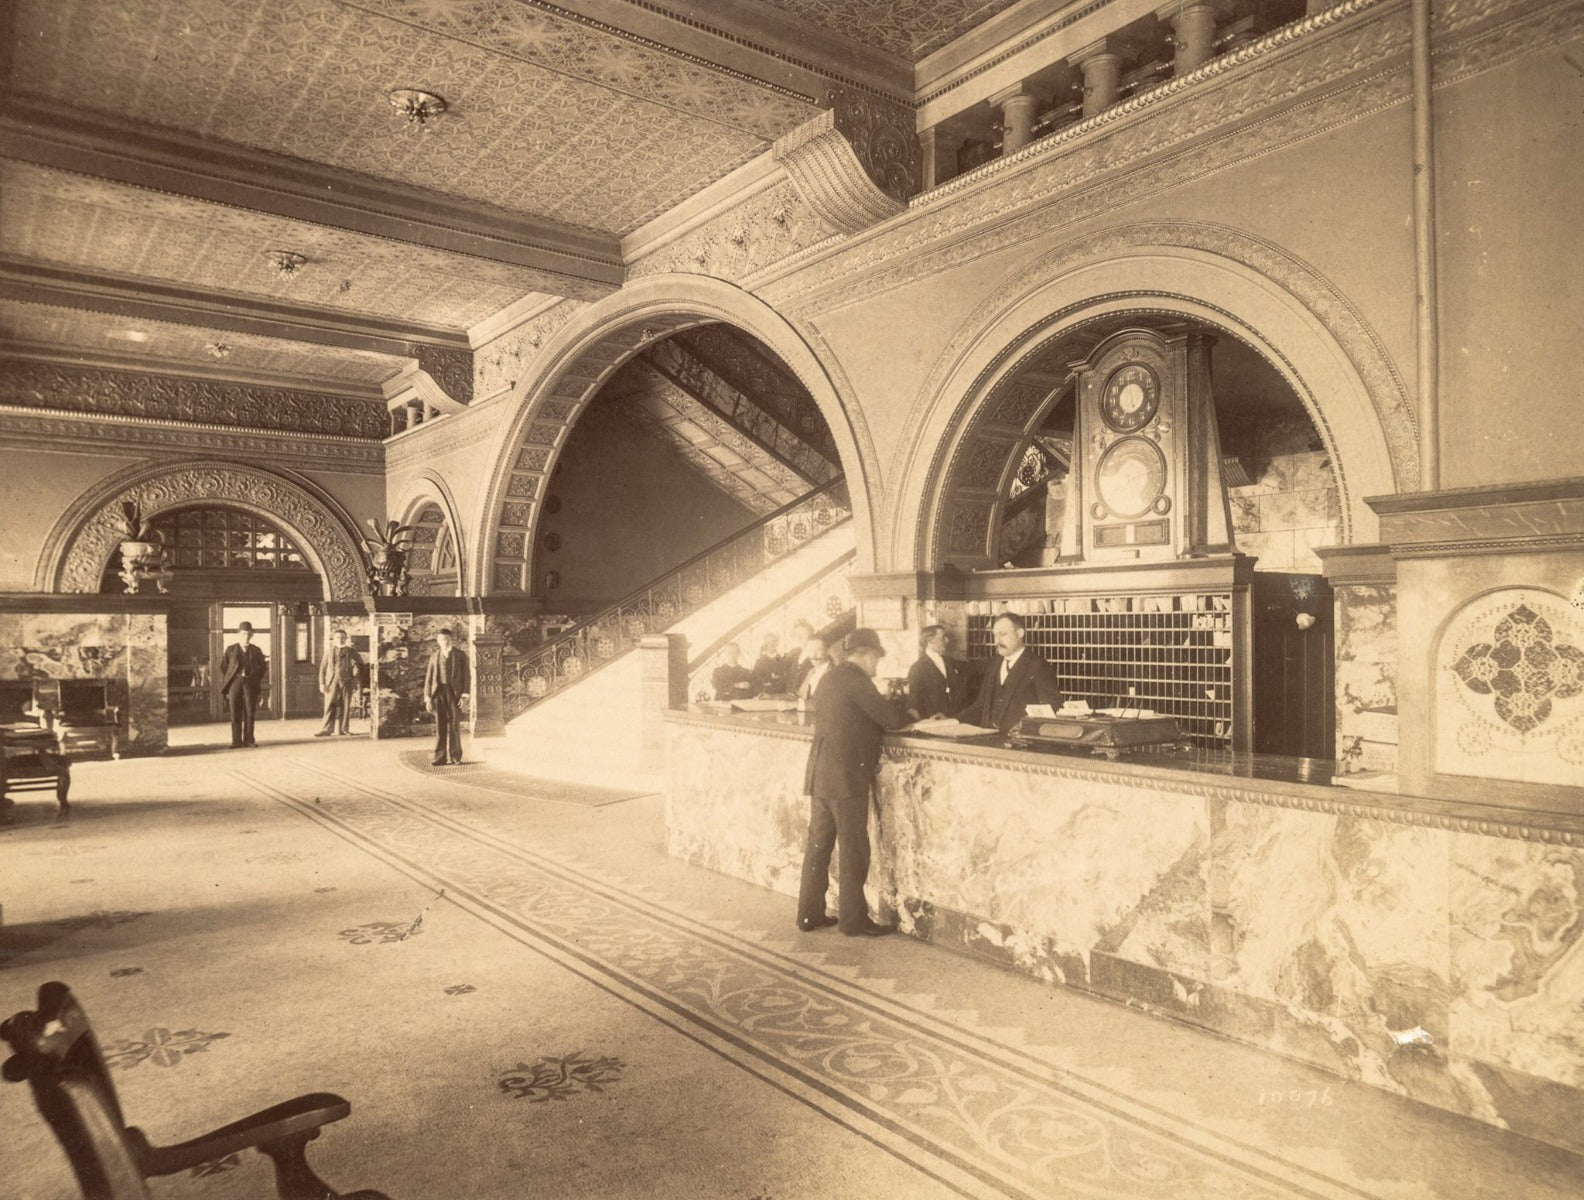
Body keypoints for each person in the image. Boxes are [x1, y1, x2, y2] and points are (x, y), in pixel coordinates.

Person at [798, 628, 908, 937]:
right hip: (846, 777)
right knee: (853, 849)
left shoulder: (830, 677)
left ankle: (808, 914)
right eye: (877, 660)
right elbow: (892, 720)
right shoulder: (857, 680)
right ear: (868, 655)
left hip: (821, 774)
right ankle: (852, 921)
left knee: (818, 846)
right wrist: (909, 709)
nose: (877, 666)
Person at [958, 610, 1063, 734]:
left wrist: (1025, 728)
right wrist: (951, 721)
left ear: (1019, 633)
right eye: (995, 635)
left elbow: (1052, 707)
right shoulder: (993, 664)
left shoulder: (1037, 665)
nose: (997, 641)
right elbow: (980, 706)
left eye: (1003, 634)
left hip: (1018, 741)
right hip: (988, 739)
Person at [423, 626, 470, 766]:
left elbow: (466, 676)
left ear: (451, 640)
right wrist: (428, 698)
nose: (445, 641)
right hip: (438, 693)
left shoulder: (460, 655)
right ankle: (440, 757)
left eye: (447, 639)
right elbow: (429, 678)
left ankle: (456, 757)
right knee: (440, 725)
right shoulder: (434, 656)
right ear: (438, 641)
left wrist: (464, 696)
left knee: (455, 725)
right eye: (442, 639)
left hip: (454, 693)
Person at [219, 620, 267, 749]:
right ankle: (236, 741)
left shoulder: (256, 650)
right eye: (244, 634)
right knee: (235, 712)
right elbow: (224, 667)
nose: (246, 637)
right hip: (235, 683)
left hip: (250, 683)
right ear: (239, 635)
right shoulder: (230, 650)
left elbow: (263, 668)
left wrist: (254, 678)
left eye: (249, 634)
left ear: (252, 635)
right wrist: (233, 678)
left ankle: (249, 740)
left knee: (250, 712)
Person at [906, 624, 966, 720]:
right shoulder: (917, 668)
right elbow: (914, 703)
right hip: (934, 721)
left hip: (953, 719)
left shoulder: (949, 661)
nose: (947, 640)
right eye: (943, 637)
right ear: (930, 641)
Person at [314, 628, 364, 737]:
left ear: (346, 638)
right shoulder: (329, 651)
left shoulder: (351, 651)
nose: (340, 639)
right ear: (334, 639)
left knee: (345, 706)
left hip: (347, 681)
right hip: (331, 682)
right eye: (337, 637)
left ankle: (344, 729)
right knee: (329, 705)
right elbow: (322, 668)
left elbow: (361, 664)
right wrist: (322, 683)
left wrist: (356, 678)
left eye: (342, 637)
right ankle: (326, 729)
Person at [781, 620, 816, 692]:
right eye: (796, 635)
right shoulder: (794, 656)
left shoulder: (815, 655)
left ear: (810, 636)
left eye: (801, 635)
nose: (798, 638)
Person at [795, 636, 830, 707]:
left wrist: (794, 705)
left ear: (827, 651)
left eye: (818, 650)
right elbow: (800, 696)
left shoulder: (834, 673)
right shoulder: (811, 672)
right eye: (810, 650)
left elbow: (826, 704)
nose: (813, 655)